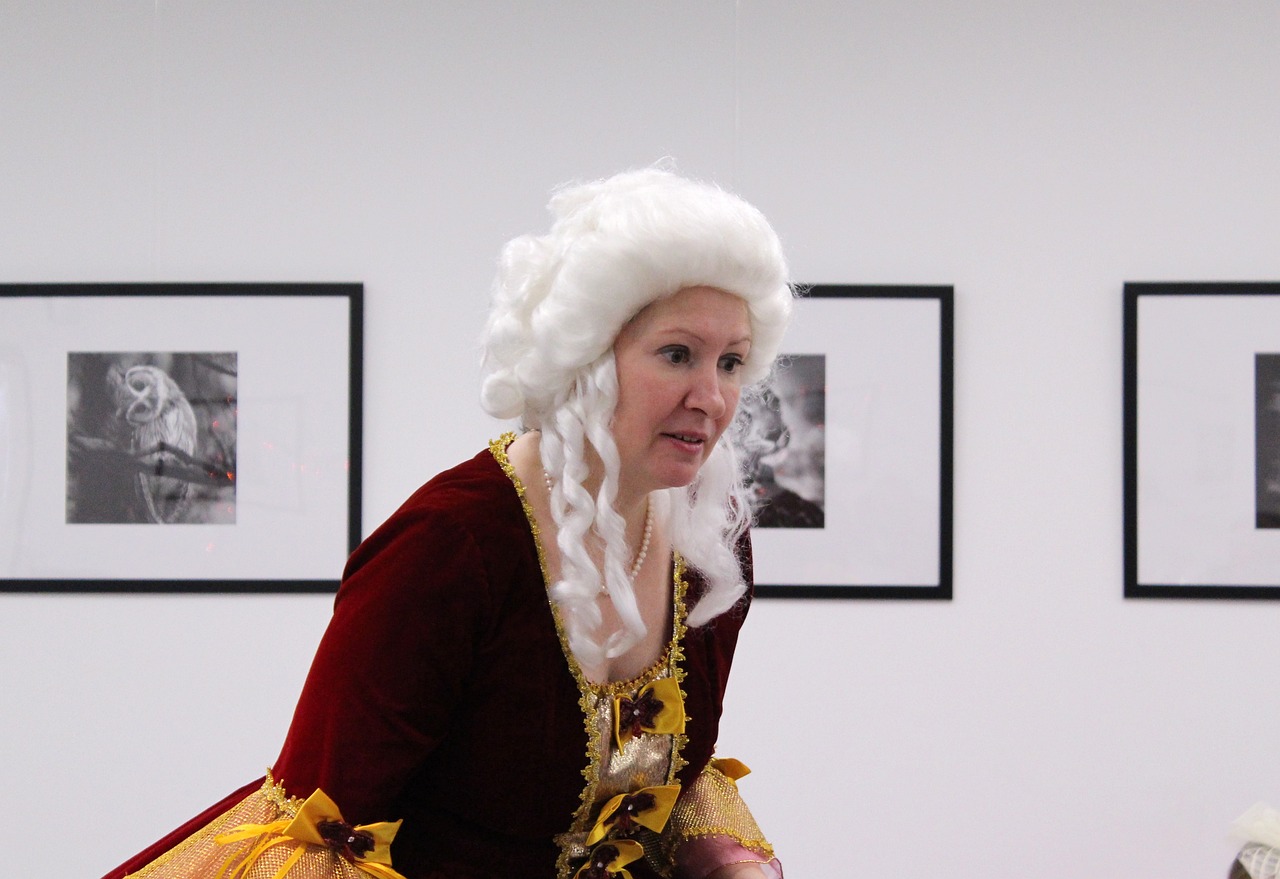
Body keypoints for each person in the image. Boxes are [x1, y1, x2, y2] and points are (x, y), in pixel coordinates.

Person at [102, 166, 794, 879]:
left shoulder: (711, 537)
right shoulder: (450, 546)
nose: (712, 397)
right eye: (677, 354)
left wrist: (730, 866)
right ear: (586, 356)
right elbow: (323, 831)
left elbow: (671, 776)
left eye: (732, 362)